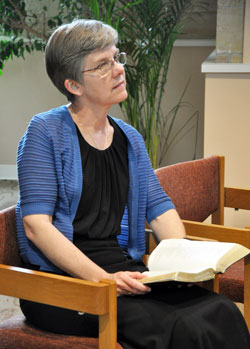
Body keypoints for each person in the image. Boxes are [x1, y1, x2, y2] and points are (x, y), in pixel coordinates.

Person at [16, 19, 250, 349]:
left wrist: (180, 263)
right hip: (64, 284)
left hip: (124, 271)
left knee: (222, 310)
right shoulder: (44, 132)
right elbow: (36, 228)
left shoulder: (129, 138)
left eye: (116, 58)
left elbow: (160, 209)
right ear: (74, 85)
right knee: (179, 326)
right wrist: (103, 279)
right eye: (102, 65)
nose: (118, 70)